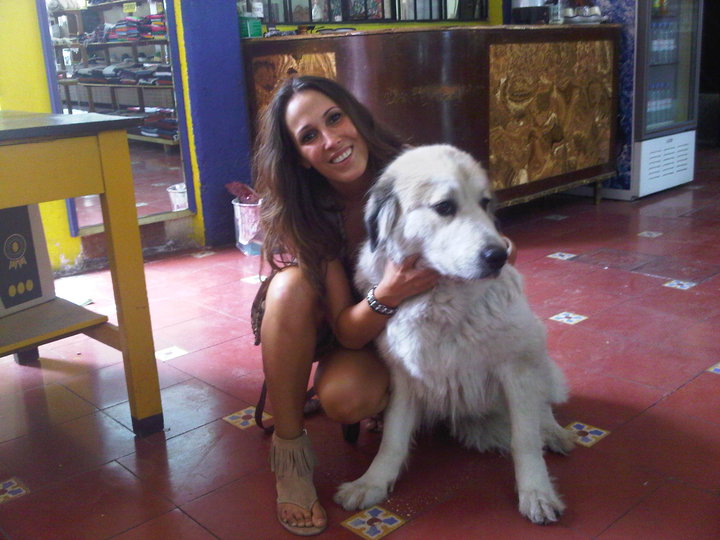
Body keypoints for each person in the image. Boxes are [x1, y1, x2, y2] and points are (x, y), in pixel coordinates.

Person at [251, 75, 515, 536]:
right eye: (309, 136)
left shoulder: (416, 170)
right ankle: (290, 454)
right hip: (354, 324)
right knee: (294, 296)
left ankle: (415, 398)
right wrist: (389, 291)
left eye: (335, 118)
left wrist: (490, 245)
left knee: (357, 391)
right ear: (301, 157)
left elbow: (482, 228)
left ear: (355, 116)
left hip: (421, 323)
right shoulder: (308, 209)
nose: (331, 140)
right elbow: (350, 332)